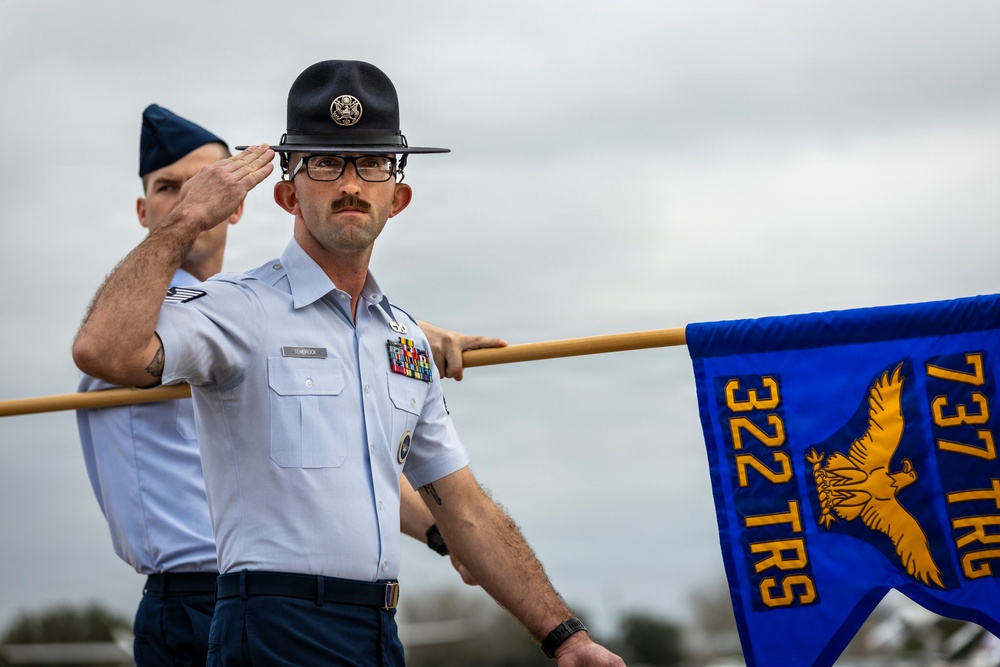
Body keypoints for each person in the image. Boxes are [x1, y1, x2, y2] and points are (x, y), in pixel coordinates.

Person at [73, 60, 624, 666]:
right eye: (327, 163)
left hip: (379, 631)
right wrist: (186, 219)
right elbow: (105, 350)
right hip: (270, 632)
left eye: (372, 164)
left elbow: (462, 505)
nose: (352, 184)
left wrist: (566, 637)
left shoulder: (403, 341)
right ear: (287, 193)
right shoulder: (237, 311)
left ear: (399, 196)